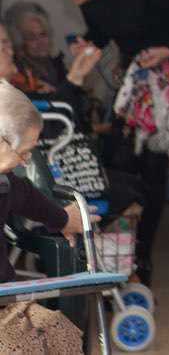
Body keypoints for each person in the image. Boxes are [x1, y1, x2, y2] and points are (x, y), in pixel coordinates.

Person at [52, 0, 169, 285]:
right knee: (121, 158)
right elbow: (103, 31)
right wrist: (89, 43)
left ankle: (144, 256)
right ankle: (123, 249)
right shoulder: (90, 1)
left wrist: (168, 49)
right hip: (135, 74)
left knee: (153, 163)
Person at [0, 79, 94, 354]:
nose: (26, 160)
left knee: (60, 332)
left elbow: (27, 196)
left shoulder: (5, 183)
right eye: (23, 153)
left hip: (6, 300)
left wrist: (63, 218)